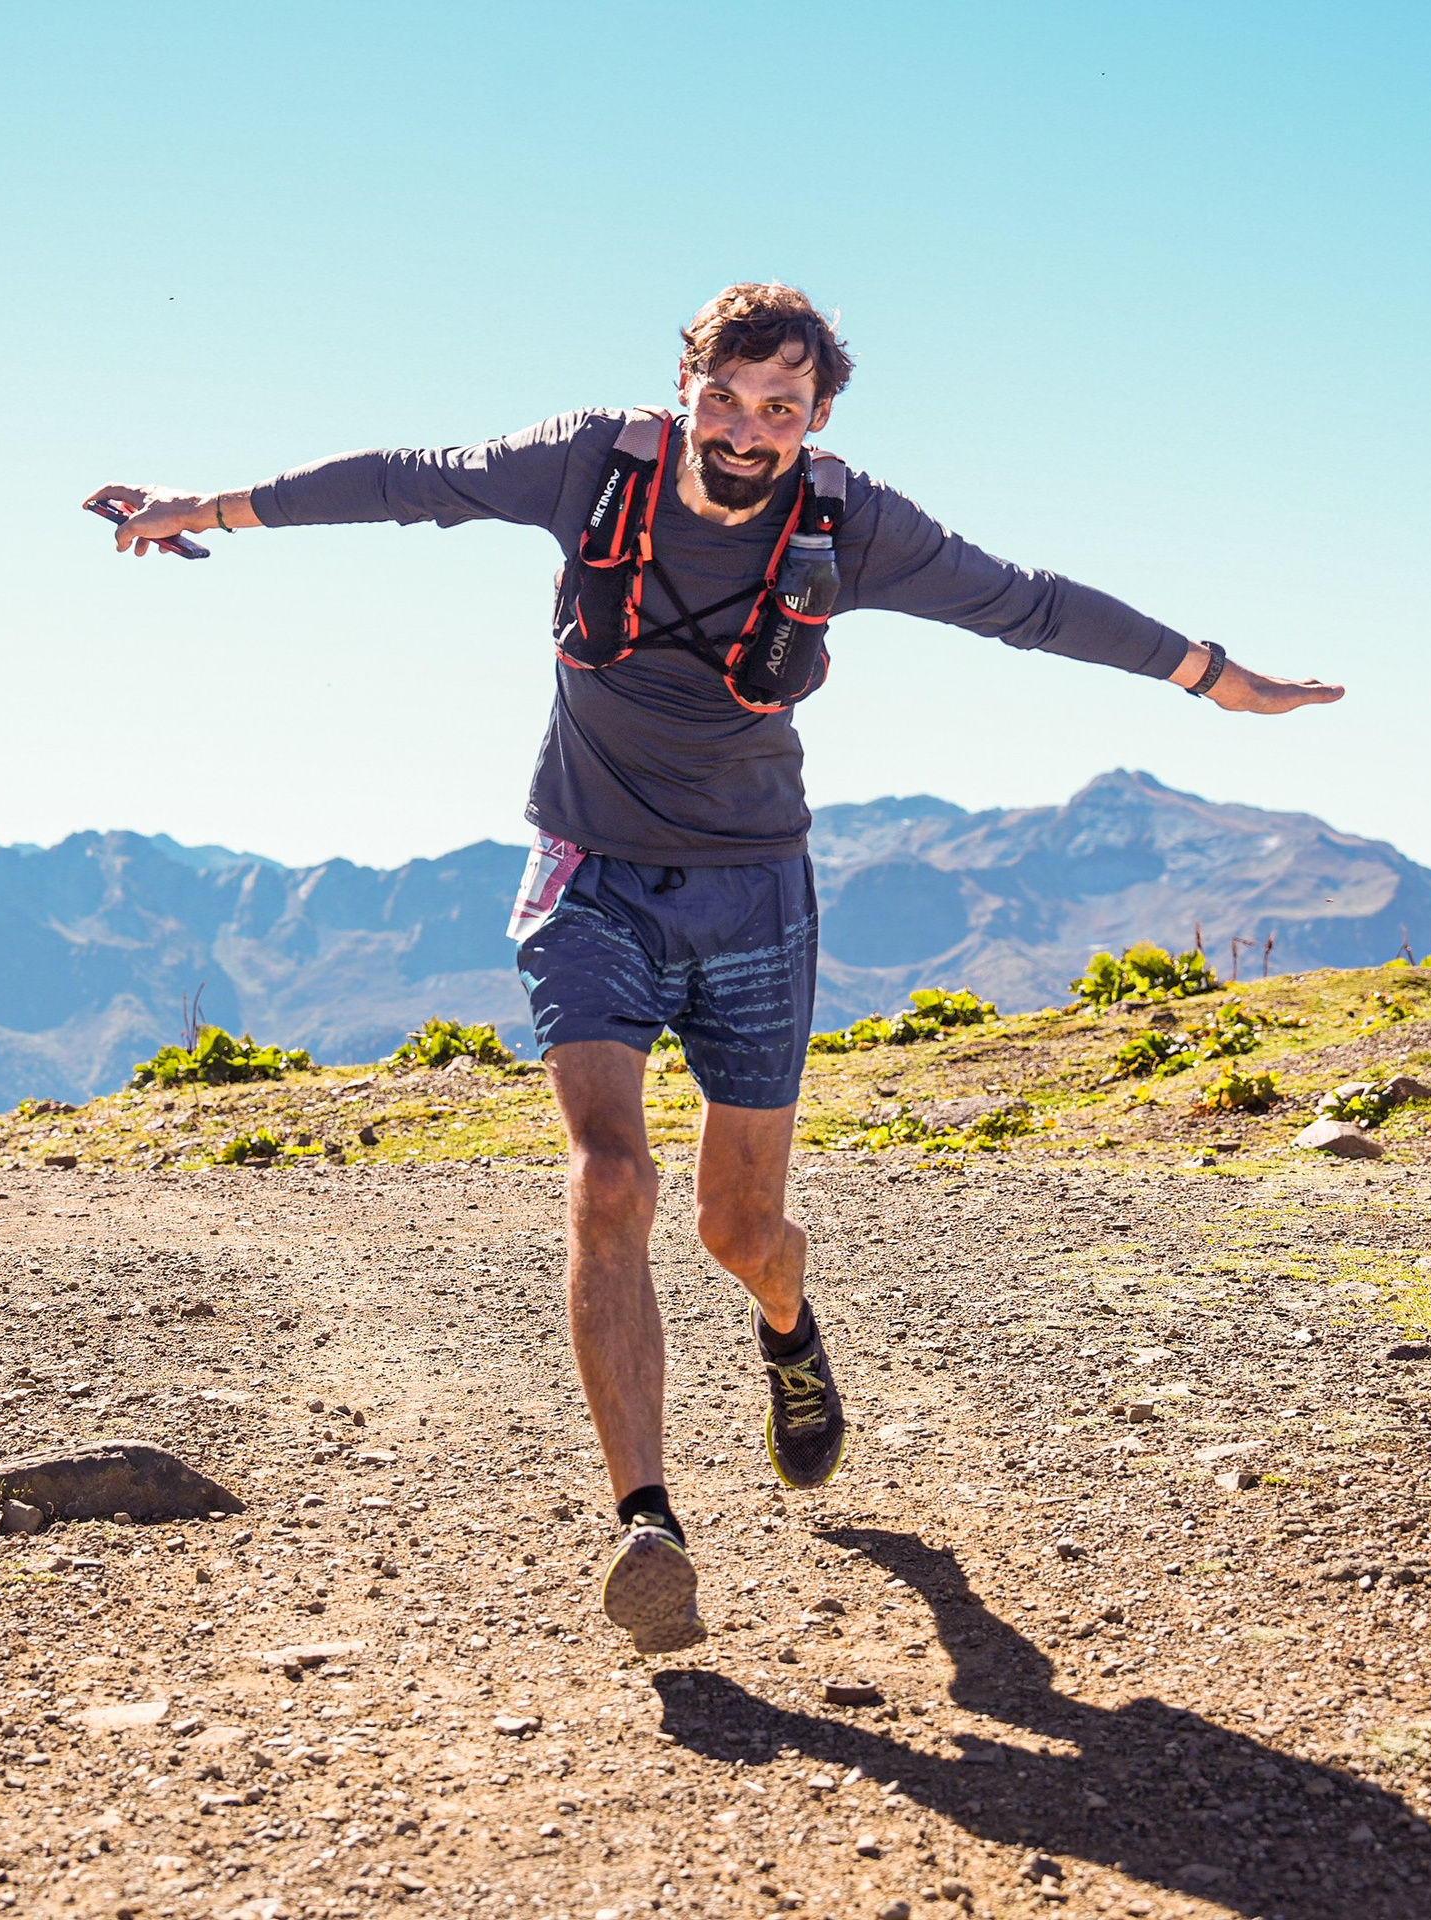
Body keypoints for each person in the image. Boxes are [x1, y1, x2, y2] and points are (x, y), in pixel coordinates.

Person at [85, 281, 1343, 1655]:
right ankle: (649, 1524)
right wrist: (198, 507)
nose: (749, 430)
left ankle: (791, 1337)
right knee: (611, 1178)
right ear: (686, 385)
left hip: (756, 899)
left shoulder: (852, 525)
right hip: (590, 876)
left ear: (814, 418)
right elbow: (404, 482)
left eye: (782, 408)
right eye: (728, 399)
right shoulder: (587, 466)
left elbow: (1026, 606)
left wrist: (1211, 675)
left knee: (739, 1234)